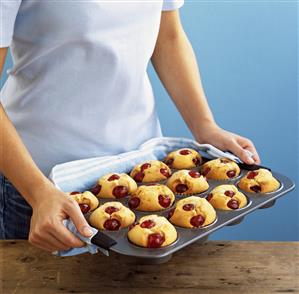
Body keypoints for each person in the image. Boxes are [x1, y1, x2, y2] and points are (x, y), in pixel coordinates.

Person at [0, 0, 260, 252]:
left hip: (144, 174)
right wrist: (37, 192)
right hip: (41, 181)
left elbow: (168, 36)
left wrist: (205, 127)